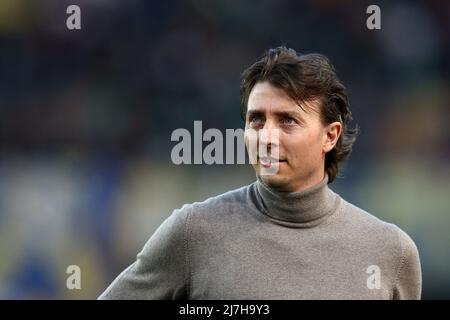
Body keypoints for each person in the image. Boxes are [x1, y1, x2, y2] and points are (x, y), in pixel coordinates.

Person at [99, 46, 421, 299]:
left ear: (330, 135)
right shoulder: (193, 233)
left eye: (287, 121)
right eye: (256, 120)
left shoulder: (390, 251)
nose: (266, 137)